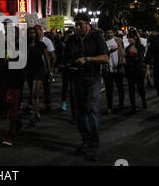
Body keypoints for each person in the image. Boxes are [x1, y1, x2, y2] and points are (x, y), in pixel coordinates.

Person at [65, 13, 108, 161]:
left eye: (80, 24)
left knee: (92, 109)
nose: (77, 28)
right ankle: (86, 140)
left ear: (88, 24)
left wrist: (88, 59)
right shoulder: (72, 40)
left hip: (93, 78)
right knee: (81, 112)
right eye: (76, 25)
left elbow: (105, 58)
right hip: (77, 78)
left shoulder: (97, 37)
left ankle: (94, 145)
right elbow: (67, 57)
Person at [26, 27, 51, 124]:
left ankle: (35, 113)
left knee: (36, 93)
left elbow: (47, 58)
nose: (32, 34)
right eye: (30, 33)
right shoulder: (25, 45)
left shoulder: (41, 44)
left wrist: (49, 70)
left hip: (40, 70)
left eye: (33, 33)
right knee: (32, 93)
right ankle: (35, 112)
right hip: (29, 70)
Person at [102, 29, 126, 114]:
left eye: (111, 32)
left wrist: (122, 65)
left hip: (117, 67)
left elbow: (122, 53)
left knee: (120, 87)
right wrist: (109, 51)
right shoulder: (103, 42)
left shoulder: (118, 40)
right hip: (107, 69)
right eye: (108, 32)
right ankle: (109, 106)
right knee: (109, 89)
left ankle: (121, 104)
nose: (109, 34)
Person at [35, 25, 55, 112]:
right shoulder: (33, 41)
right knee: (35, 87)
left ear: (40, 31)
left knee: (46, 86)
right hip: (36, 67)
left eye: (36, 31)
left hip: (45, 67)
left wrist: (49, 67)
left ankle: (48, 104)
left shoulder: (47, 41)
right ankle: (34, 104)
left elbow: (52, 55)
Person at [125, 30, 147, 112]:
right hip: (130, 72)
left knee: (140, 88)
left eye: (130, 38)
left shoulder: (140, 47)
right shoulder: (127, 48)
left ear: (135, 38)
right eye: (128, 38)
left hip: (138, 71)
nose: (129, 40)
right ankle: (133, 106)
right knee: (131, 90)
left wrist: (131, 60)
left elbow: (140, 58)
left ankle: (143, 101)